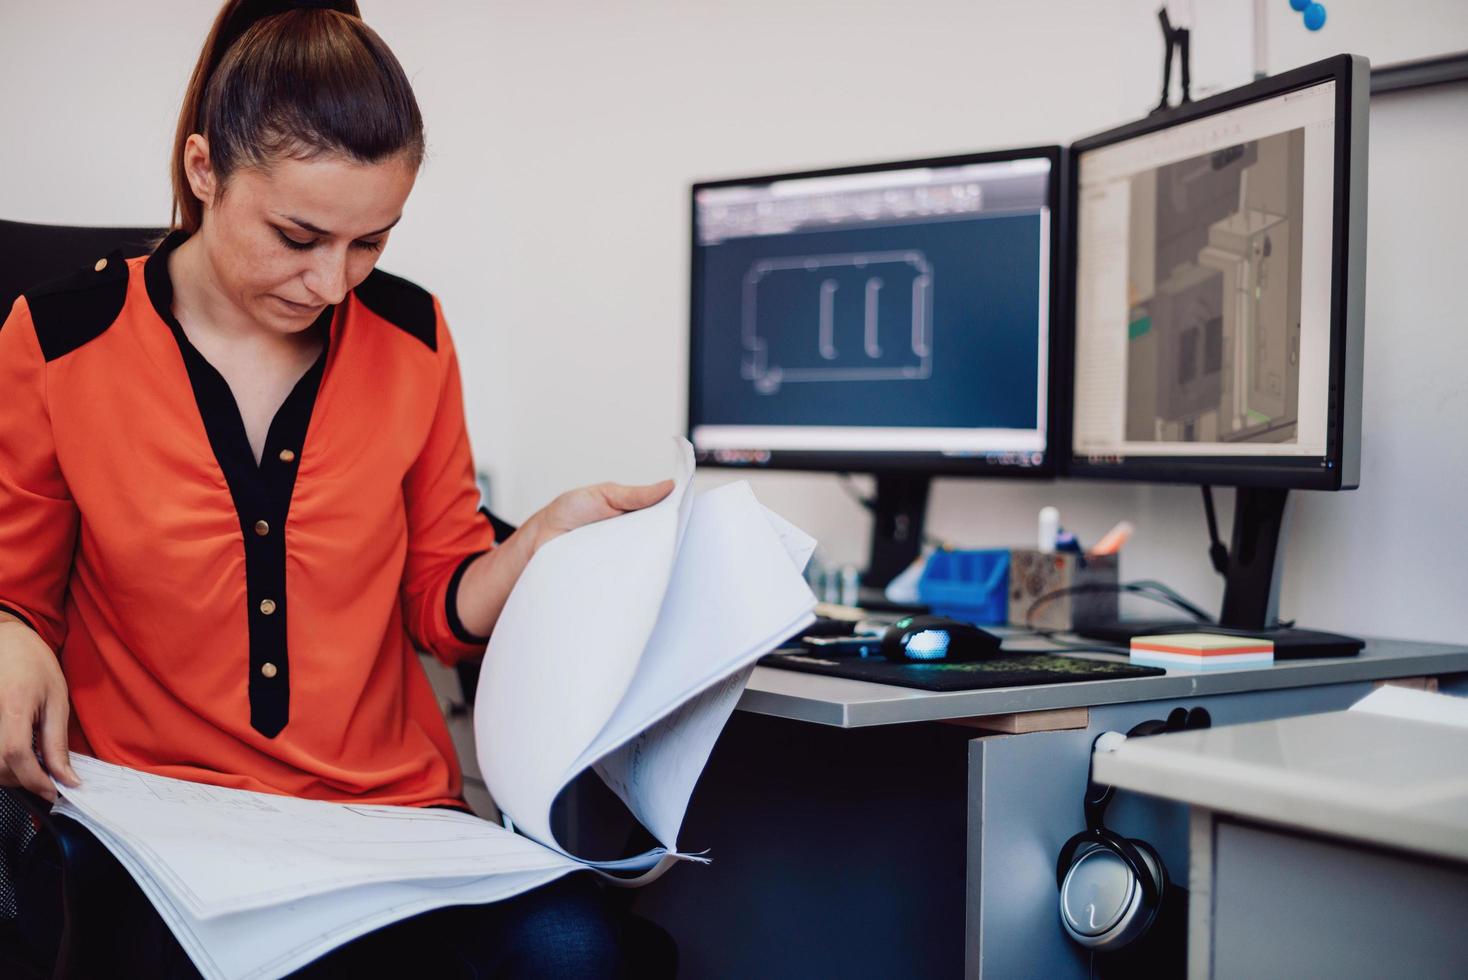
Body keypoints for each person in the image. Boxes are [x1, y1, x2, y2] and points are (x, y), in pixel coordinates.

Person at [0, 1, 671, 975]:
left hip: (389, 821)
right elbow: (18, 588)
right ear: (203, 170)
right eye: (297, 234)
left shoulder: (414, 336)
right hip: (160, 819)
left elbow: (441, 603)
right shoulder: (59, 335)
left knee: (576, 946)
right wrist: (7, 632)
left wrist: (537, 544)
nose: (332, 283)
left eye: (371, 243)